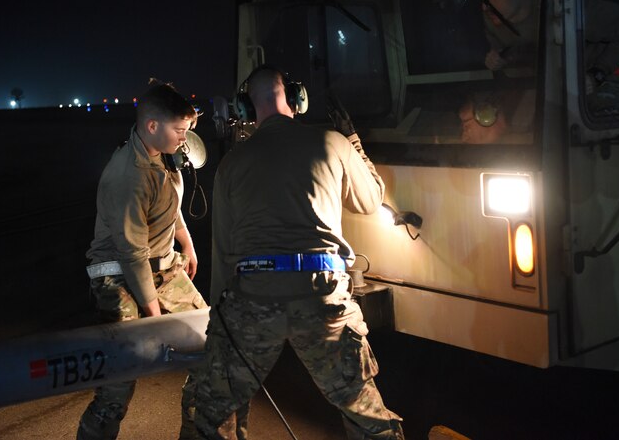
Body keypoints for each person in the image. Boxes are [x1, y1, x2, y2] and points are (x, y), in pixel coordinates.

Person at [193, 66, 405, 439]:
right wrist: (352, 140)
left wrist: (219, 325)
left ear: (245, 108)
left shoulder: (232, 163)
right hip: (322, 295)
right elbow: (370, 200)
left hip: (253, 298)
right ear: (295, 98)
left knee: (216, 412)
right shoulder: (332, 143)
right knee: (363, 411)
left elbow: (224, 253)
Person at [77, 79, 208, 440]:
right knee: (120, 377)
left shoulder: (163, 153)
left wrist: (187, 244)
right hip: (118, 273)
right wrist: (154, 317)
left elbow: (170, 205)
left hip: (160, 266)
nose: (185, 138)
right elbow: (132, 254)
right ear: (152, 126)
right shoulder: (128, 176)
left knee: (212, 348)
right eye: (180, 130)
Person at [467, 0, 619, 115]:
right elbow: (517, 52)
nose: (484, 7)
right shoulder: (493, 21)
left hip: (602, 82)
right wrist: (500, 59)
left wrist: (597, 74)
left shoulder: (569, 9)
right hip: (552, 88)